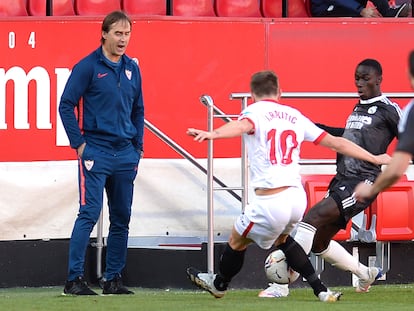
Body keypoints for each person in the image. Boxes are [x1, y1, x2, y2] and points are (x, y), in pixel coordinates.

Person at [185, 70, 390, 302]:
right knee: (285, 240)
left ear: (253, 94)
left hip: (271, 199)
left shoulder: (254, 111)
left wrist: (213, 134)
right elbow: (336, 142)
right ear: (279, 93)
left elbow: (241, 127)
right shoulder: (293, 115)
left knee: (237, 239)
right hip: (296, 198)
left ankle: (220, 284)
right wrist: (375, 158)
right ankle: (321, 289)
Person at [260, 59, 402, 298]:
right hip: (342, 179)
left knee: (311, 218)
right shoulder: (358, 108)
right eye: (356, 78)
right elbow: (345, 136)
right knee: (318, 243)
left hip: (362, 182)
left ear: (379, 79)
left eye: (365, 78)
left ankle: (280, 285)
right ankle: (365, 273)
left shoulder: (388, 109)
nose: (359, 83)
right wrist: (309, 128)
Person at [59, 11, 144, 295]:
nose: (123, 39)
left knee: (122, 217)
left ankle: (112, 279)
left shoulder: (133, 68)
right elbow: (66, 104)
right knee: (89, 213)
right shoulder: (87, 67)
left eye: (127, 33)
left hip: (125, 154)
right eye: (118, 33)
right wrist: (80, 145)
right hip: (96, 152)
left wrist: (138, 148)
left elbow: (138, 110)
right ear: (104, 33)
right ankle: (74, 280)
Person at [354, 51, 414, 201]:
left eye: (365, 78)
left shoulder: (407, 111)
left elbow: (397, 168)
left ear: (409, 74)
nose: (359, 83)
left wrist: (372, 189)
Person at [310, 0, 410, 17]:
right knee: (358, 14)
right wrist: (360, 9)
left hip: (339, 5)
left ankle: (389, 13)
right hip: (326, 9)